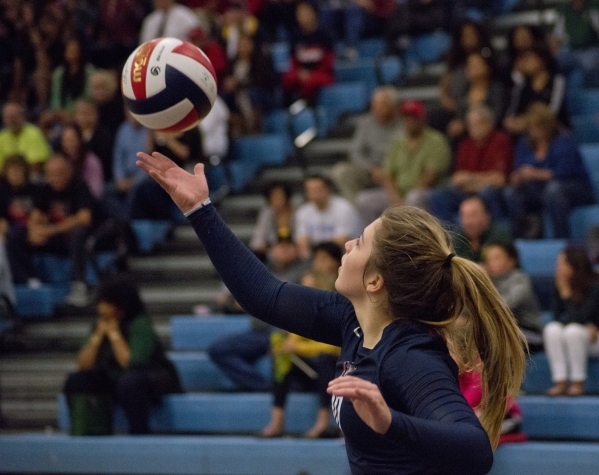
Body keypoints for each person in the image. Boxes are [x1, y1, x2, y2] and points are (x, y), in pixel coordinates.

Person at [136, 149, 526, 473]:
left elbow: (475, 449)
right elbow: (264, 296)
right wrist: (199, 209)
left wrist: (390, 423)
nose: (346, 246)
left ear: (375, 281)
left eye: (360, 242)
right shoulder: (351, 321)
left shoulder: (411, 355)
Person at [63, 275, 182, 434]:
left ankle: (139, 431)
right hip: (116, 378)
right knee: (76, 380)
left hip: (151, 378)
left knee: (129, 383)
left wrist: (114, 334)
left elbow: (130, 362)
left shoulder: (140, 324)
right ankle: (89, 426)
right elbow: (84, 364)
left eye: (106, 302)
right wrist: (98, 336)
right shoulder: (99, 325)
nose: (101, 307)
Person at [7, 155, 94, 306]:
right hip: (54, 239)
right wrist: (35, 230)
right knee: (17, 236)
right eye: (51, 174)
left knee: (79, 233)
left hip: (73, 240)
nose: (55, 178)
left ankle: (78, 285)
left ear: (68, 172)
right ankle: (29, 280)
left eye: (59, 173)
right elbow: (35, 215)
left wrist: (50, 230)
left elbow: (84, 218)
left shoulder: (79, 187)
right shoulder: (45, 189)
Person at [261, 271, 340, 439]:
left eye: (308, 287)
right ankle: (277, 421)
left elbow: (334, 348)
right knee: (282, 358)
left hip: (333, 372)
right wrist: (283, 346)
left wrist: (297, 347)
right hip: (310, 373)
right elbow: (292, 342)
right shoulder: (299, 312)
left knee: (327, 359)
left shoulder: (332, 313)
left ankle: (323, 422)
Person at [503, 103, 594, 239]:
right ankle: (524, 236)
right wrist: (518, 178)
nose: (535, 131)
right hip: (539, 189)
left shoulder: (563, 141)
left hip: (573, 187)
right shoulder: (525, 143)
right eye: (531, 128)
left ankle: (562, 239)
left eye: (538, 127)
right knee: (511, 192)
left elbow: (562, 173)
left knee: (553, 190)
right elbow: (518, 169)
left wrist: (533, 174)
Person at [355, 100, 451, 226]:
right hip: (397, 193)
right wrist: (396, 198)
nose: (409, 121)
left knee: (414, 197)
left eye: (413, 117)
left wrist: (404, 202)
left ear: (422, 118)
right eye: (406, 118)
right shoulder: (398, 142)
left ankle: (410, 239)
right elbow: (387, 175)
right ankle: (372, 240)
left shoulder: (436, 140)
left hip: (426, 192)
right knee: (364, 200)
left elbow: (430, 177)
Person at [429, 104, 513, 225]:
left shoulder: (500, 141)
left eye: (478, 123)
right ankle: (451, 236)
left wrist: (470, 179)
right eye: (470, 124)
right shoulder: (465, 144)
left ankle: (496, 234)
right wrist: (481, 180)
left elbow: (499, 179)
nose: (474, 128)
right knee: (438, 195)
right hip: (467, 192)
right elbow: (457, 178)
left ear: (489, 123)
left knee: (487, 193)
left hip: (492, 193)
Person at [544, 246, 599, 396]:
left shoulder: (595, 284)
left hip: (594, 338)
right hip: (579, 332)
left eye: (562, 264)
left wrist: (567, 296)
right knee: (552, 329)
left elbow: (582, 316)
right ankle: (560, 381)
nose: (558, 268)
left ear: (575, 265)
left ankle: (577, 382)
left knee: (573, 331)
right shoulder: (561, 284)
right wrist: (564, 292)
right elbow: (556, 317)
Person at [331, 87, 402, 203]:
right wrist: (371, 168)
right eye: (374, 104)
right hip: (371, 169)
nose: (376, 109)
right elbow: (355, 152)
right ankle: (358, 210)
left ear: (393, 105)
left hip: (396, 171)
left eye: (381, 105)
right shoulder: (366, 123)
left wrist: (387, 171)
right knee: (341, 172)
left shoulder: (404, 124)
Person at [482, 242, 543, 351]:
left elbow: (505, 306)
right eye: (489, 259)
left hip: (528, 332)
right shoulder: (490, 281)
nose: (490, 263)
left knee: (496, 337)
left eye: (496, 258)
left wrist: (482, 283)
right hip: (503, 331)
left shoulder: (520, 280)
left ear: (511, 261)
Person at [503, 42, 568, 135]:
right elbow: (510, 116)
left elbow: (554, 111)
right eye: (524, 59)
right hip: (527, 133)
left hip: (554, 131)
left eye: (529, 58)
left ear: (542, 59)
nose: (525, 63)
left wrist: (530, 121)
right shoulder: (521, 87)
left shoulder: (557, 81)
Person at [294, 174, 361, 259]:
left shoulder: (343, 208)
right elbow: (301, 241)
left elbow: (343, 240)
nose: (313, 193)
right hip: (315, 257)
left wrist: (315, 245)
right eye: (310, 190)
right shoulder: (303, 212)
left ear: (328, 189)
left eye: (316, 189)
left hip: (343, 256)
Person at [282, 1, 335, 106]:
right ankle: (287, 108)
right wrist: (300, 73)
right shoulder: (295, 37)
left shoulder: (325, 35)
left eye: (306, 12)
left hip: (321, 73)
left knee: (311, 82)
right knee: (288, 78)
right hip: (301, 72)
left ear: (314, 13)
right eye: (300, 13)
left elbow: (328, 62)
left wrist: (310, 74)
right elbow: (293, 61)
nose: (303, 16)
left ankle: (307, 106)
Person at [452, 195, 512, 263]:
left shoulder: (499, 235)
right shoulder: (457, 238)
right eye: (464, 216)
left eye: (473, 215)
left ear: (487, 216)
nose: (468, 221)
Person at [0, 101, 51, 178]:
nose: (11, 120)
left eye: (14, 117)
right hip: (7, 180)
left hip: (31, 179)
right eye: (8, 117)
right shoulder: (2, 137)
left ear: (22, 116)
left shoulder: (34, 133)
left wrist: (16, 174)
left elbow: (37, 165)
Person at [250, 181, 296, 260]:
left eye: (280, 196)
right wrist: (271, 246)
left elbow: (301, 239)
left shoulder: (297, 213)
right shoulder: (266, 214)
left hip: (294, 251)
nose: (278, 200)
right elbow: (256, 242)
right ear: (269, 199)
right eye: (274, 197)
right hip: (272, 253)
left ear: (287, 197)